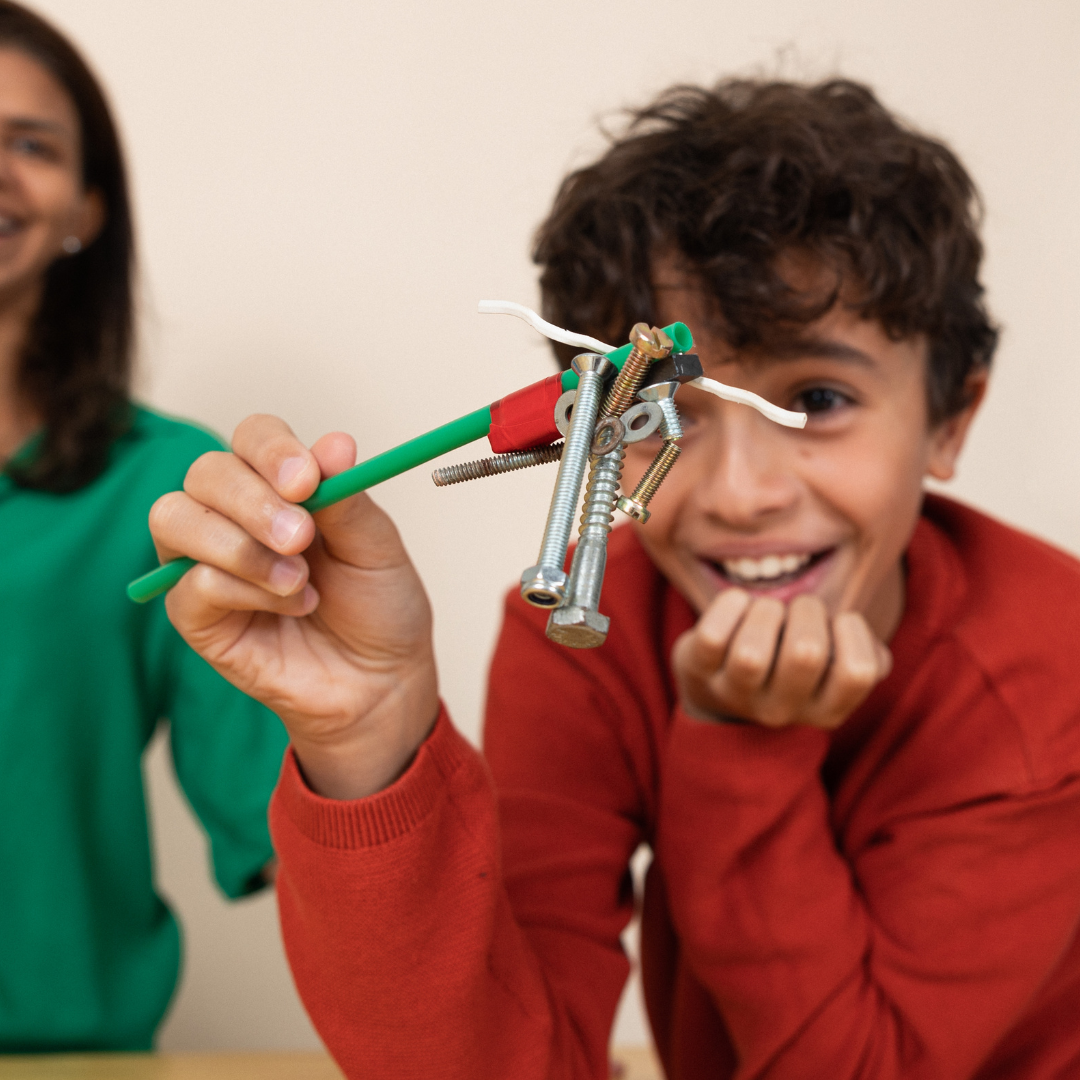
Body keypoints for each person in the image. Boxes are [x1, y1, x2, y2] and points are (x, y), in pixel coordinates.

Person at [150, 79, 1080, 1079]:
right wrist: (368, 735)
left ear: (951, 418)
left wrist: (741, 744)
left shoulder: (1049, 664)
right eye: (658, 412)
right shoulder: (583, 634)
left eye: (816, 398)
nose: (737, 491)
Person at [0, 1, 288, 1053]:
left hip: (69, 1059)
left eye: (28, 145)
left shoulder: (170, 488)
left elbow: (283, 826)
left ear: (85, 207)